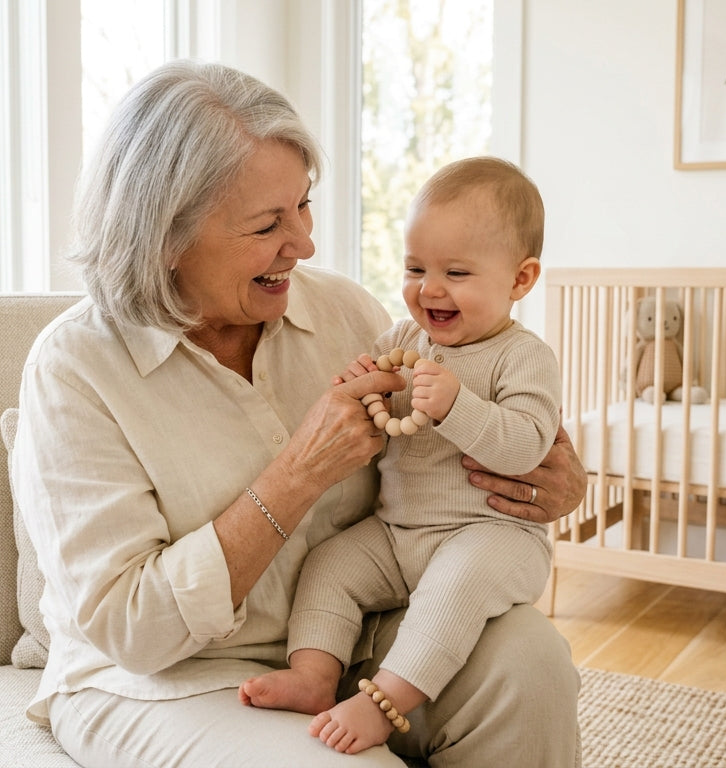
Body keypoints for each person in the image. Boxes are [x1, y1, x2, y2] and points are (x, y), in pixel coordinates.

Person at [9, 59, 585, 768]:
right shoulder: (76, 370)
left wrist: (552, 481)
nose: (305, 243)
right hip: (166, 680)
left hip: (358, 635)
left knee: (533, 660)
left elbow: (479, 437)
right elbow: (133, 630)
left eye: (304, 206)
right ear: (166, 237)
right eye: (267, 224)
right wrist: (297, 475)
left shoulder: (343, 311)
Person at [239, 156, 562, 755]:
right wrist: (362, 386)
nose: (429, 288)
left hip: (491, 535)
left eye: (457, 272)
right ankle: (314, 674)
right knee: (331, 564)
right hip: (398, 531)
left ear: (521, 280)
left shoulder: (523, 357)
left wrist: (457, 406)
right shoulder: (402, 341)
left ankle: (384, 701)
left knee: (453, 589)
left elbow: (526, 446)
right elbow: (373, 407)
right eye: (415, 268)